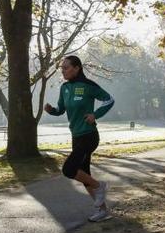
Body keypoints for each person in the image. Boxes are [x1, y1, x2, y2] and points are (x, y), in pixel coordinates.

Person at [45, 55, 115, 222]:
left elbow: (109, 100)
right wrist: (51, 110)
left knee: (69, 169)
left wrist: (95, 114)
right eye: (62, 68)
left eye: (66, 68)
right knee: (84, 175)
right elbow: (61, 109)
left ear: (77, 68)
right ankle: (103, 211)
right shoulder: (64, 88)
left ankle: (100, 186)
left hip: (89, 135)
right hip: (76, 136)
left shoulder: (88, 86)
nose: (63, 71)